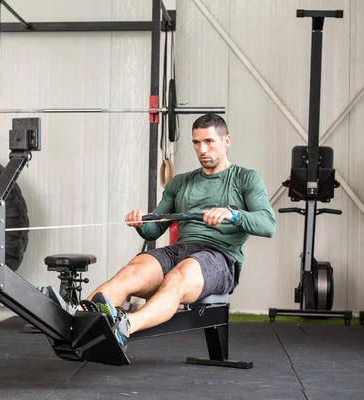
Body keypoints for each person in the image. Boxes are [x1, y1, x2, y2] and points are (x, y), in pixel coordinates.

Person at [81, 113, 276, 349]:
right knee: (131, 272)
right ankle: (77, 320)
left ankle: (124, 327)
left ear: (226, 141)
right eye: (196, 142)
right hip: (179, 250)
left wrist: (232, 214)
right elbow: (154, 229)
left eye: (209, 141)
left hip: (220, 256)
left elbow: (267, 225)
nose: (202, 149)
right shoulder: (181, 182)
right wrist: (141, 221)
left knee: (177, 277)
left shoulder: (245, 179)